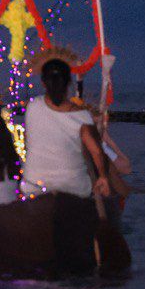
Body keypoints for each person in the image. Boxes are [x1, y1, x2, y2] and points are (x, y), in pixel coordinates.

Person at [22, 48, 111, 274]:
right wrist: (102, 177)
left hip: (35, 186)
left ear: (43, 83)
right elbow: (97, 153)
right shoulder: (82, 117)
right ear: (69, 83)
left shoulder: (32, 107)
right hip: (74, 188)